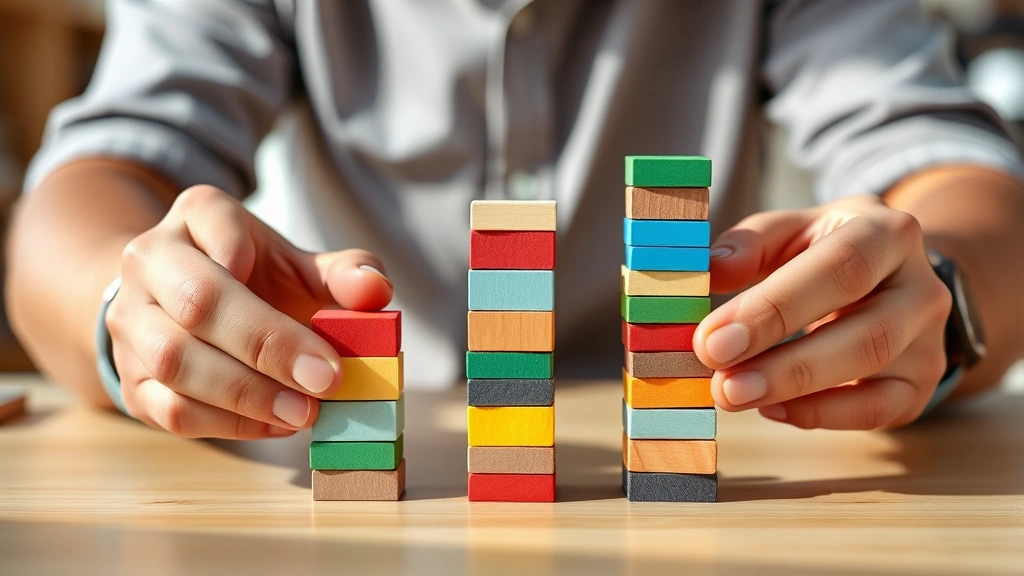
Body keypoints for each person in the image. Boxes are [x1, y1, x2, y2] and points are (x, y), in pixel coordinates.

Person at [6, 0, 1024, 440]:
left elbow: (956, 173)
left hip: (691, 441)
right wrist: (130, 310)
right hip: (365, 445)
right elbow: (90, 185)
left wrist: (943, 294)